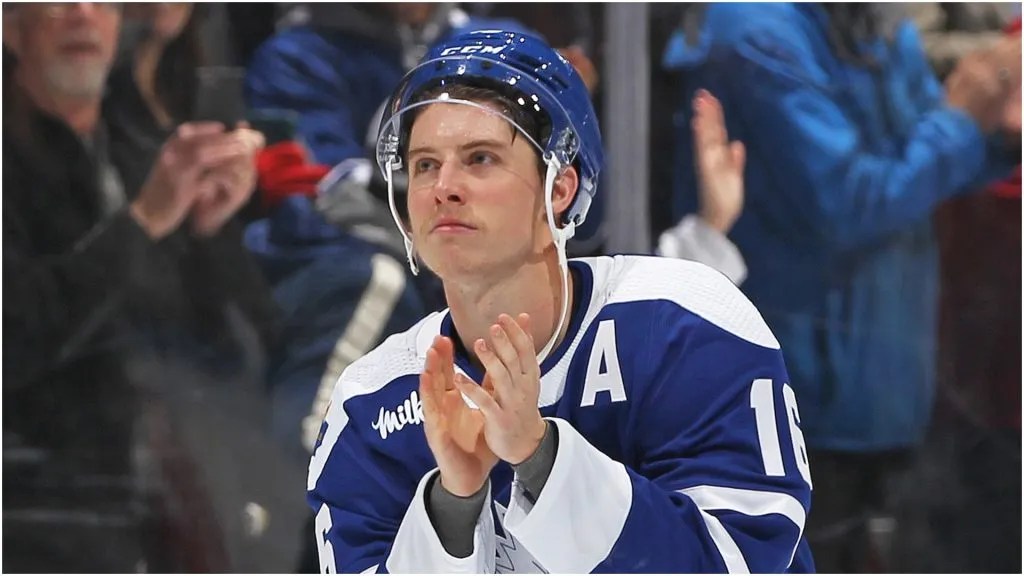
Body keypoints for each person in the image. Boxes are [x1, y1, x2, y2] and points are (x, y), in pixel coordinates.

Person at [306, 30, 813, 574]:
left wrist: (539, 457)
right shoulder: (368, 404)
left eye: (480, 158)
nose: (443, 187)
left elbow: (742, 559)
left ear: (560, 189)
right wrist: (452, 505)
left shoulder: (685, 325)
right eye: (425, 164)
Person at [662, 4, 1020, 571]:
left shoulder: (876, 22)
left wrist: (999, 132)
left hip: (889, 388)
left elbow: (927, 160)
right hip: (798, 402)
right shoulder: (755, 32)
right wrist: (964, 118)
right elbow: (847, 202)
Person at [3, 3, 266, 570]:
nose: (82, 13)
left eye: (101, 0)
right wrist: (143, 222)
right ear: (12, 28)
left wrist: (208, 232)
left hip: (163, 471)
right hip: (40, 492)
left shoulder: (135, 144)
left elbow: (243, 340)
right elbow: (14, 335)